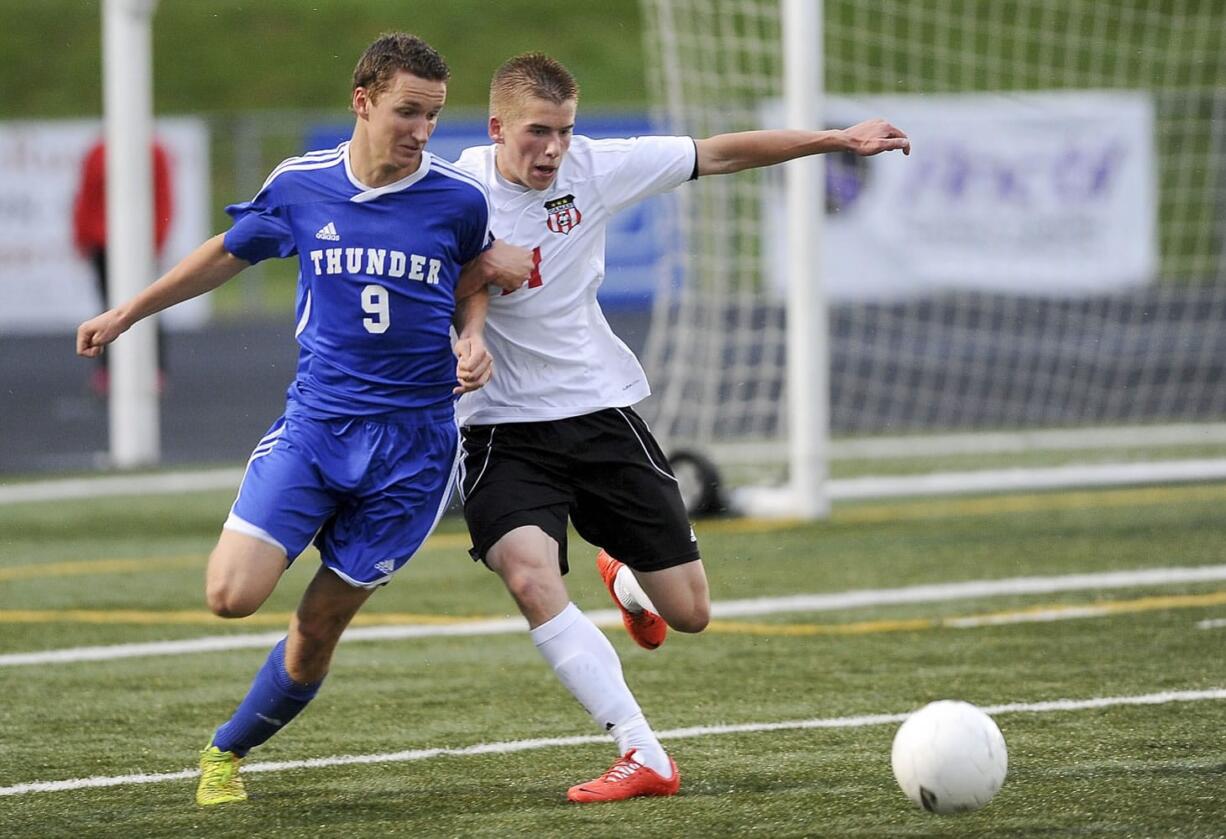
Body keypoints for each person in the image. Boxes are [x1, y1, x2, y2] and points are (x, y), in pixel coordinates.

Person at [76, 32, 532, 807]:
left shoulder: (457, 197)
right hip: (318, 428)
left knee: (318, 626)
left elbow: (474, 271)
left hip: (414, 453)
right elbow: (229, 250)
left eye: (433, 115)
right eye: (407, 112)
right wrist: (130, 311)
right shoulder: (302, 185)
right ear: (363, 102)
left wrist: (474, 335)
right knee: (229, 594)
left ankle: (227, 749)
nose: (422, 131)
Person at [451, 53, 910, 803]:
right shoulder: (453, 189)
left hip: (599, 415)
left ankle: (626, 579)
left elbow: (720, 151)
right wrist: (464, 330)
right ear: (498, 127)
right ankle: (643, 751)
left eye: (565, 131)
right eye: (538, 132)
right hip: (501, 429)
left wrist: (836, 140)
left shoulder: (595, 167)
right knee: (530, 575)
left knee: (690, 612)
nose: (554, 149)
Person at [73, 137, 174, 395]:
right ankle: (109, 369)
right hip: (104, 243)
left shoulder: (153, 151)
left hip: (140, 242)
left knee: (149, 303)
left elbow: (163, 196)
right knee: (109, 306)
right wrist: (84, 237)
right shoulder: (99, 151)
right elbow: (86, 196)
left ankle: (153, 367)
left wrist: (157, 237)